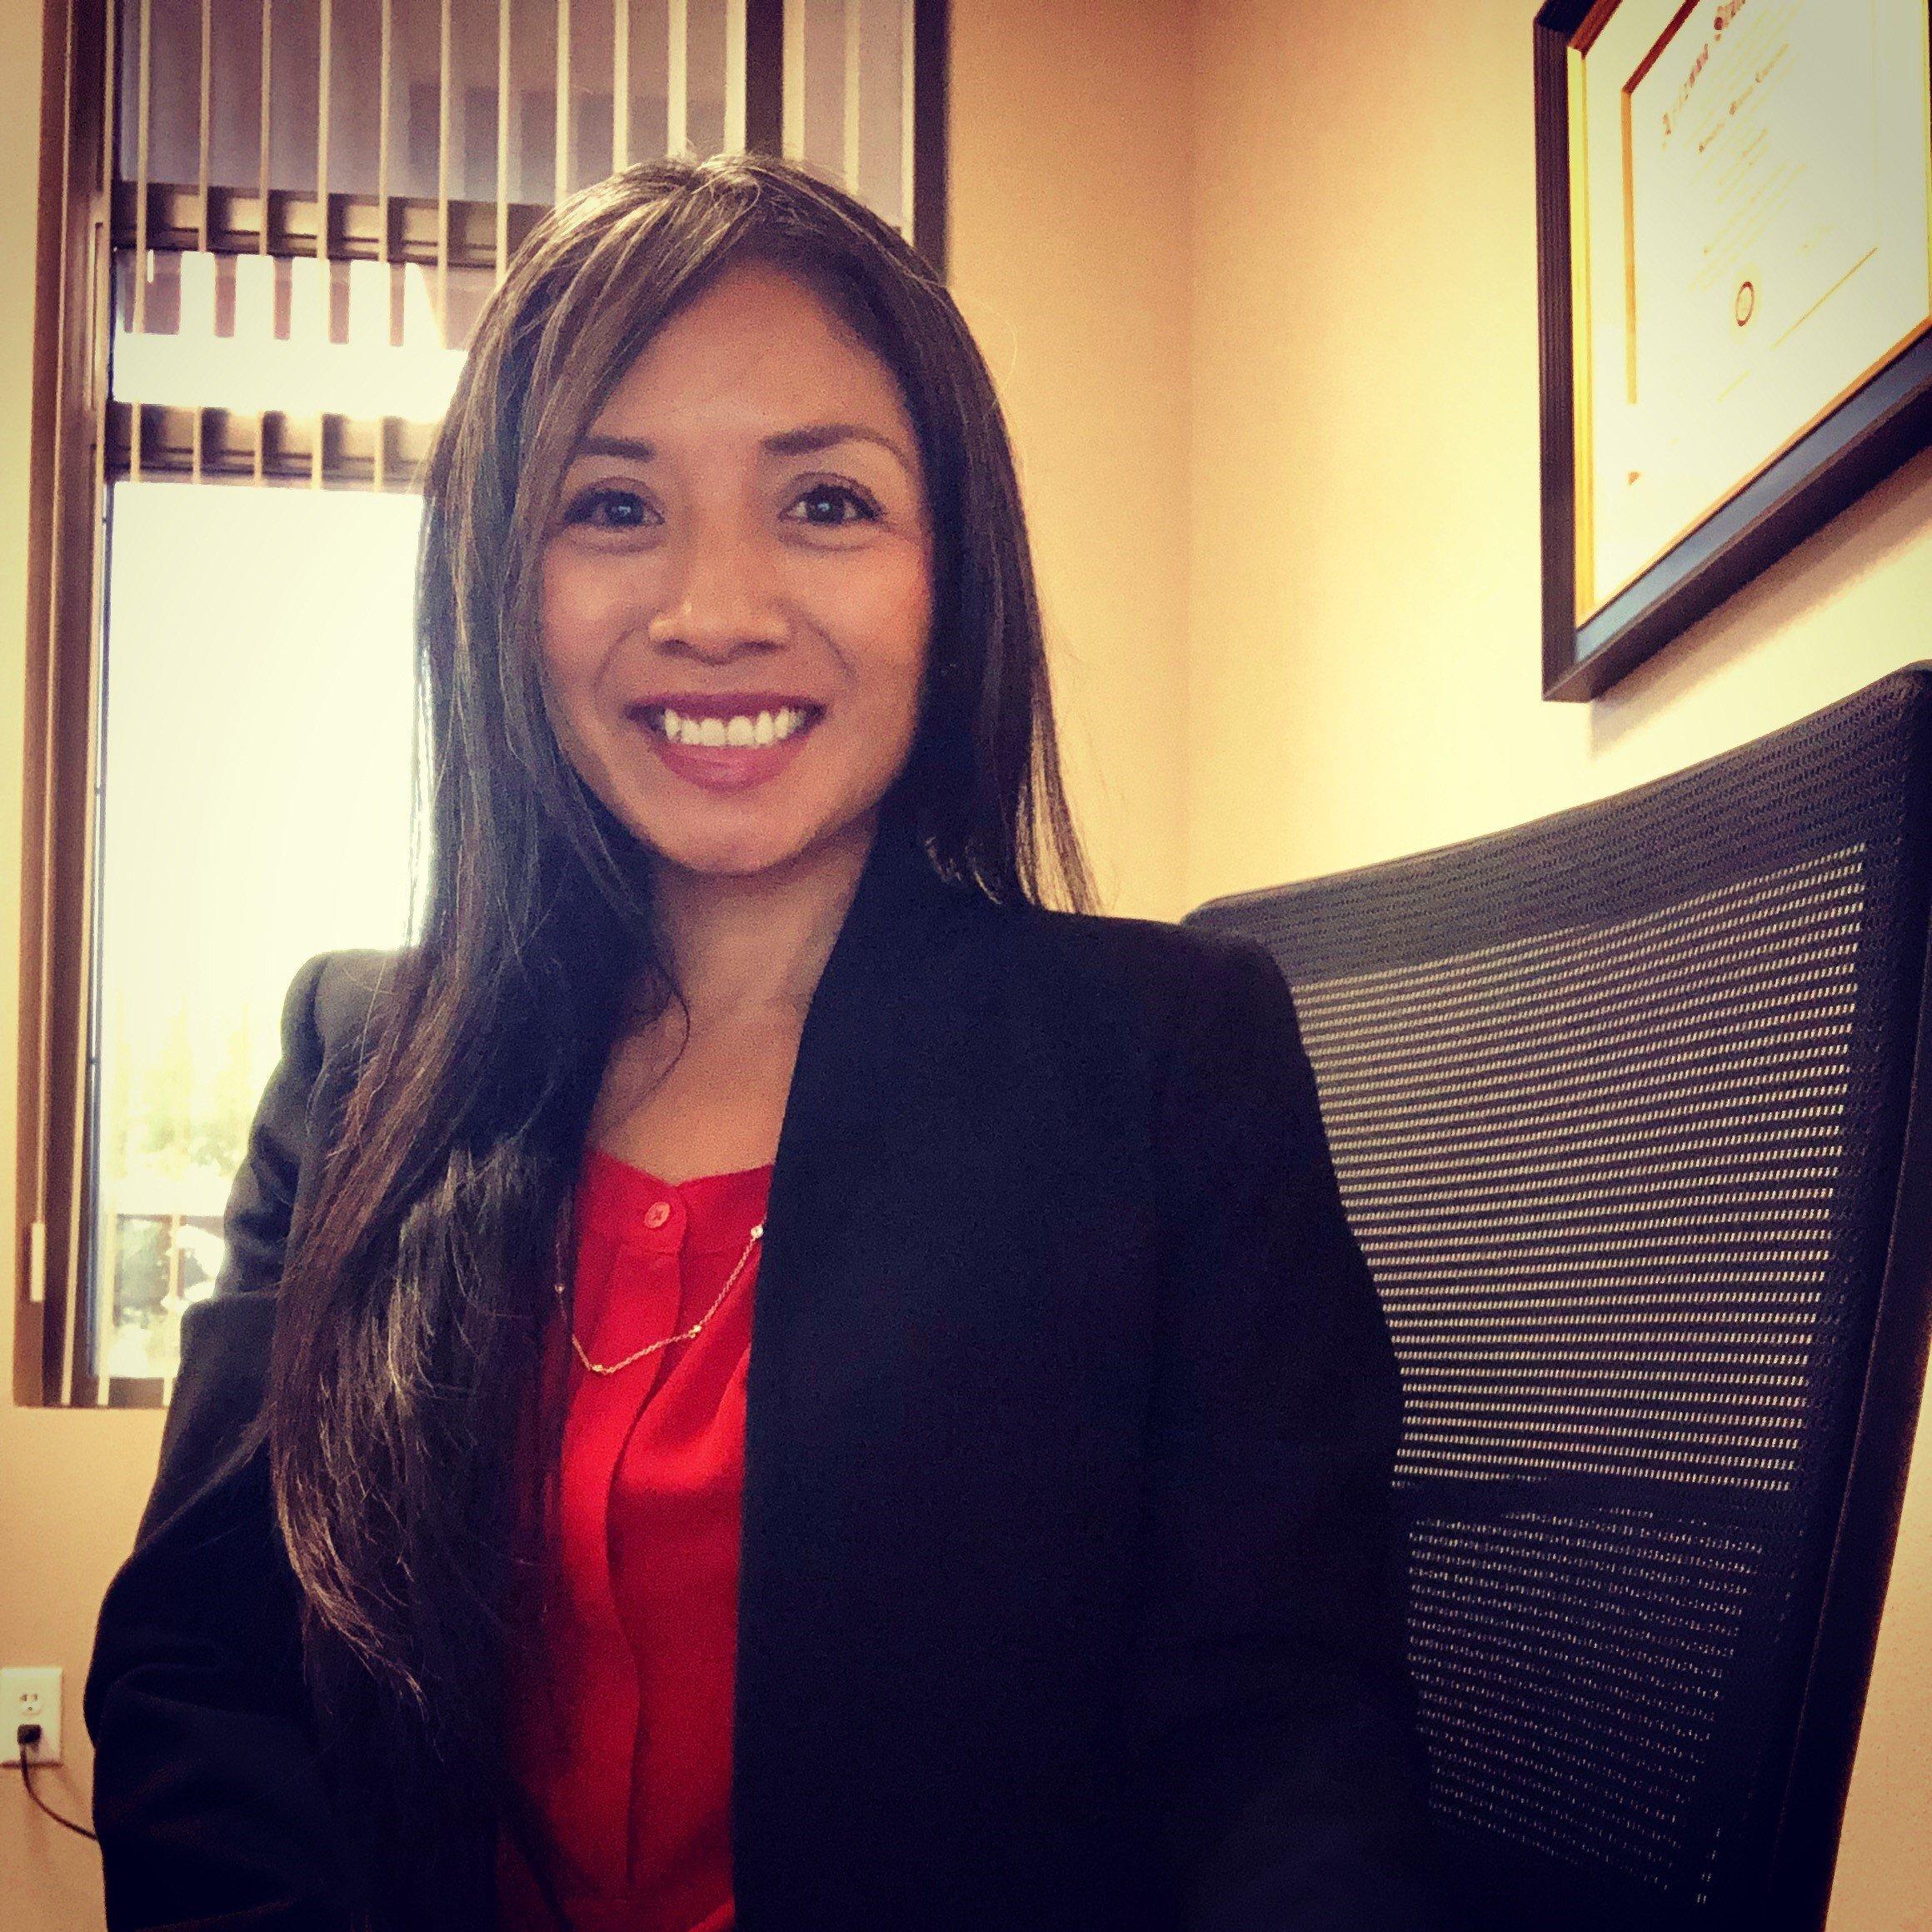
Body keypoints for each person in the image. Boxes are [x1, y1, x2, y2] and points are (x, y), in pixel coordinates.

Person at [84, 152, 1441, 1932]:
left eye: (825, 502)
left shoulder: (1168, 1060)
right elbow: (204, 1688)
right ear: (497, 583)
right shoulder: (359, 1067)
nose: (716, 607)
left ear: (951, 572)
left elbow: (1283, 1743)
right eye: (611, 505)